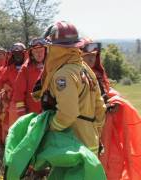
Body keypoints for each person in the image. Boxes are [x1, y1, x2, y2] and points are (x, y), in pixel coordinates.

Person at [37, 21, 106, 154]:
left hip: (71, 147)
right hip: (90, 143)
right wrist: (94, 132)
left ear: (55, 48)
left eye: (49, 46)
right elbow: (100, 107)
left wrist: (50, 127)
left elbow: (68, 113)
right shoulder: (84, 67)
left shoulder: (63, 75)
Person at [80, 38, 141, 179]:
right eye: (87, 56)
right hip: (88, 129)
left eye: (93, 56)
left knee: (113, 159)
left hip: (106, 127)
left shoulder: (99, 74)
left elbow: (106, 91)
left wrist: (115, 101)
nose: (91, 59)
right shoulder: (78, 75)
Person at [0, 43, 28, 143]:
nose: (18, 56)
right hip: (7, 105)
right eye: (15, 54)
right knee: (6, 126)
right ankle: (4, 146)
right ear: (11, 55)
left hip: (27, 106)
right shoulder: (3, 70)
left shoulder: (30, 70)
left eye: (20, 53)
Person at [19, 38, 46, 114]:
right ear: (31, 53)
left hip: (50, 112)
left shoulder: (52, 66)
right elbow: (19, 93)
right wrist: (22, 114)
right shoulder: (25, 68)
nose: (39, 54)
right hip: (33, 113)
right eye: (36, 51)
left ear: (46, 51)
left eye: (41, 51)